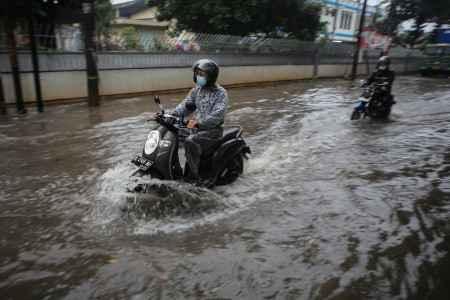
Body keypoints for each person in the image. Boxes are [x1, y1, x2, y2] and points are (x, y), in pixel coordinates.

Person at [172, 59, 228, 184]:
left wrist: (200, 123)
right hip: (195, 128)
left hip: (213, 131)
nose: (198, 77)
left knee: (191, 141)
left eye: (202, 74)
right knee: (172, 133)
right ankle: (173, 168)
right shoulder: (196, 90)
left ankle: (194, 176)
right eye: (197, 74)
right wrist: (170, 115)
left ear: (211, 77)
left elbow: (217, 115)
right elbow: (185, 106)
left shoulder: (221, 93)